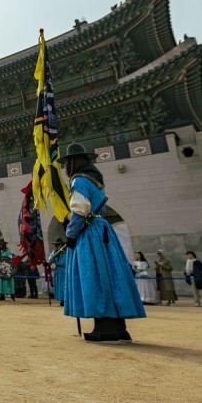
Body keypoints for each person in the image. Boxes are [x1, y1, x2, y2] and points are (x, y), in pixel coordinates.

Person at [62, 143, 145, 342]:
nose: (65, 168)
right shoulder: (96, 181)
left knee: (95, 274)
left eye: (67, 164)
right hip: (103, 228)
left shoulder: (79, 181)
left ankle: (104, 326)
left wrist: (71, 234)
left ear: (73, 163)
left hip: (89, 233)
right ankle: (119, 327)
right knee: (111, 274)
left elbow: (80, 210)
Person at [49, 239, 67, 305]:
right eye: (56, 245)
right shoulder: (54, 252)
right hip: (58, 271)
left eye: (58, 245)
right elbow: (50, 260)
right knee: (59, 286)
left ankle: (65, 299)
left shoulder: (66, 252)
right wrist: (53, 257)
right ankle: (61, 299)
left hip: (64, 271)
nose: (56, 246)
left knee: (64, 285)